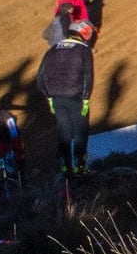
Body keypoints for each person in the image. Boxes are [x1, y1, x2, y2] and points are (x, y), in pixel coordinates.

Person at [37, 19, 95, 174]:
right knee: (80, 133)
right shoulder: (83, 49)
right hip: (76, 96)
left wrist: (48, 96)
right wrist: (86, 98)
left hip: (56, 97)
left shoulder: (52, 49)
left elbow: (40, 77)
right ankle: (80, 167)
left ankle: (65, 167)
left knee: (64, 132)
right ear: (83, 32)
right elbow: (88, 76)